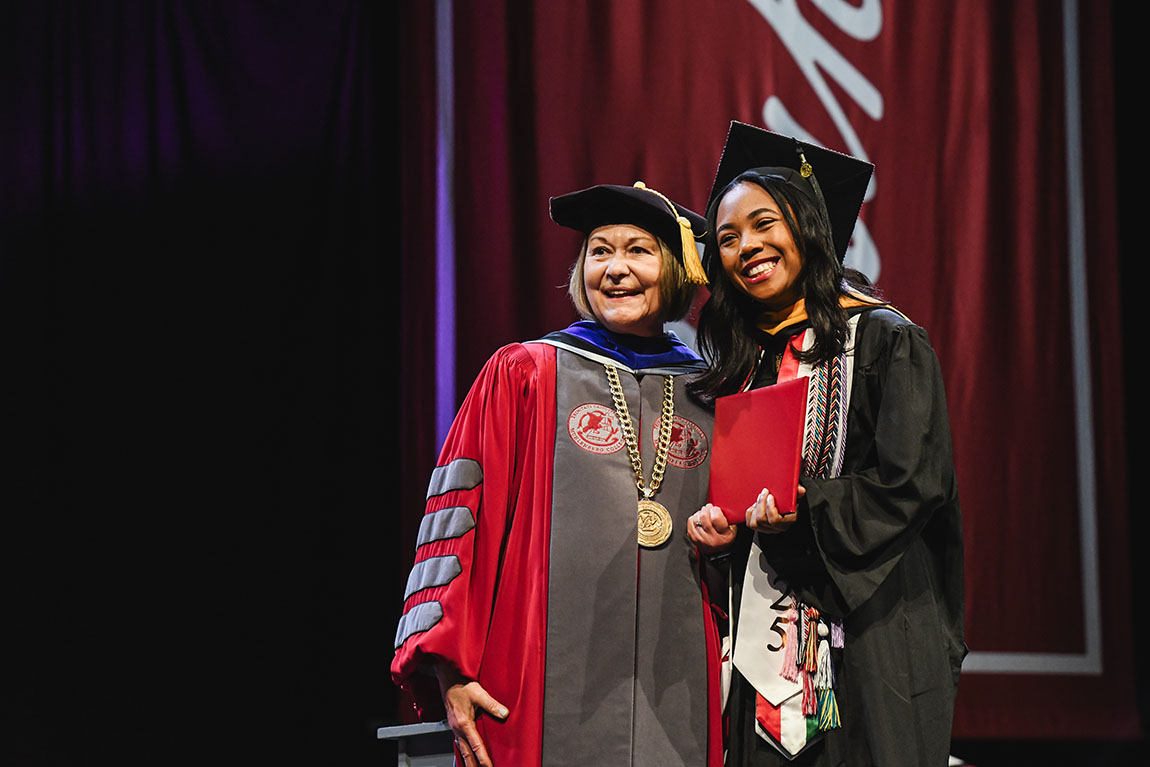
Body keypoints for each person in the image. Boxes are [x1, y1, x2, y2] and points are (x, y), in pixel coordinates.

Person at [391, 181, 724, 767]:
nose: (616, 269)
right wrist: (450, 669)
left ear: (675, 269)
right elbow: (460, 525)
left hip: (685, 697)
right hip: (532, 695)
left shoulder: (711, 393)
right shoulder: (525, 374)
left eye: (638, 251)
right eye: (600, 251)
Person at [685, 122, 965, 766]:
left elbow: (912, 485)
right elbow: (742, 504)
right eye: (726, 238)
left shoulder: (886, 341)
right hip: (762, 651)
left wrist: (806, 508)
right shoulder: (741, 367)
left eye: (763, 224)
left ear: (807, 228)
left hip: (873, 640)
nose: (745, 247)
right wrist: (723, 532)